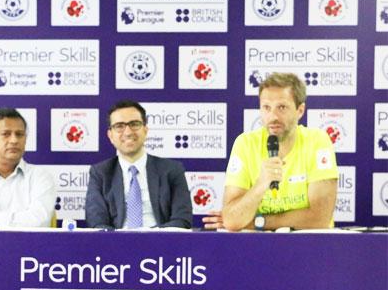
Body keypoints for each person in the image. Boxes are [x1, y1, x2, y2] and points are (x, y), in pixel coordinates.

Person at [210, 72, 338, 231]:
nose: (273, 116)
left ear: (300, 110)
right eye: (266, 108)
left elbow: (319, 218)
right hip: (258, 248)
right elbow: (232, 219)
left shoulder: (317, 141)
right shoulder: (245, 144)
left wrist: (257, 222)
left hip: (309, 247)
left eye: (282, 107)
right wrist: (261, 184)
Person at [85, 100, 192, 230]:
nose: (128, 132)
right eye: (119, 126)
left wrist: (150, 238)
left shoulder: (172, 170)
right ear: (110, 135)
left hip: (162, 245)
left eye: (134, 124)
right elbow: (96, 222)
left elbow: (182, 220)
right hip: (115, 245)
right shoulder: (100, 173)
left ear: (145, 130)